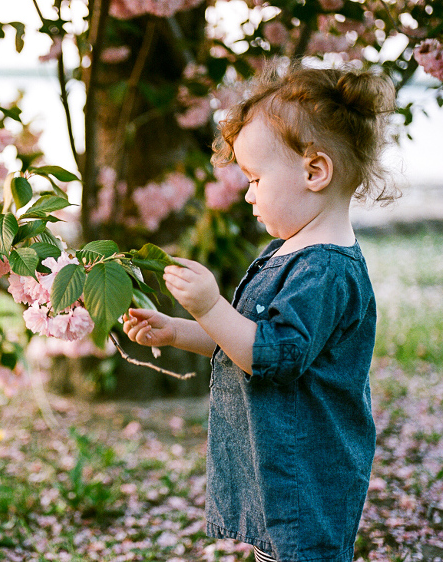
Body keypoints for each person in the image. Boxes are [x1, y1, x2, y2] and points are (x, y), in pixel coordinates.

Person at [123, 63, 397, 562]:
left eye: (254, 179)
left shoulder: (325, 272)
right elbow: (245, 339)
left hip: (307, 478)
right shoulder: (290, 251)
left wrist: (209, 303)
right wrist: (181, 329)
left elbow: (268, 356)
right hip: (279, 468)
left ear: (315, 171)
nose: (247, 195)